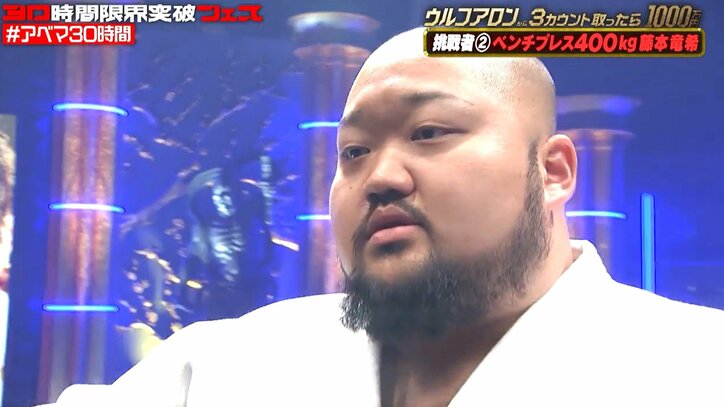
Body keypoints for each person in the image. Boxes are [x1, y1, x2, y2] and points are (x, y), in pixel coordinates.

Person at [40, 27, 724, 407]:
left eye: (429, 133)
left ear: (553, 171)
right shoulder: (230, 364)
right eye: (354, 152)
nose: (381, 177)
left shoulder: (697, 367)